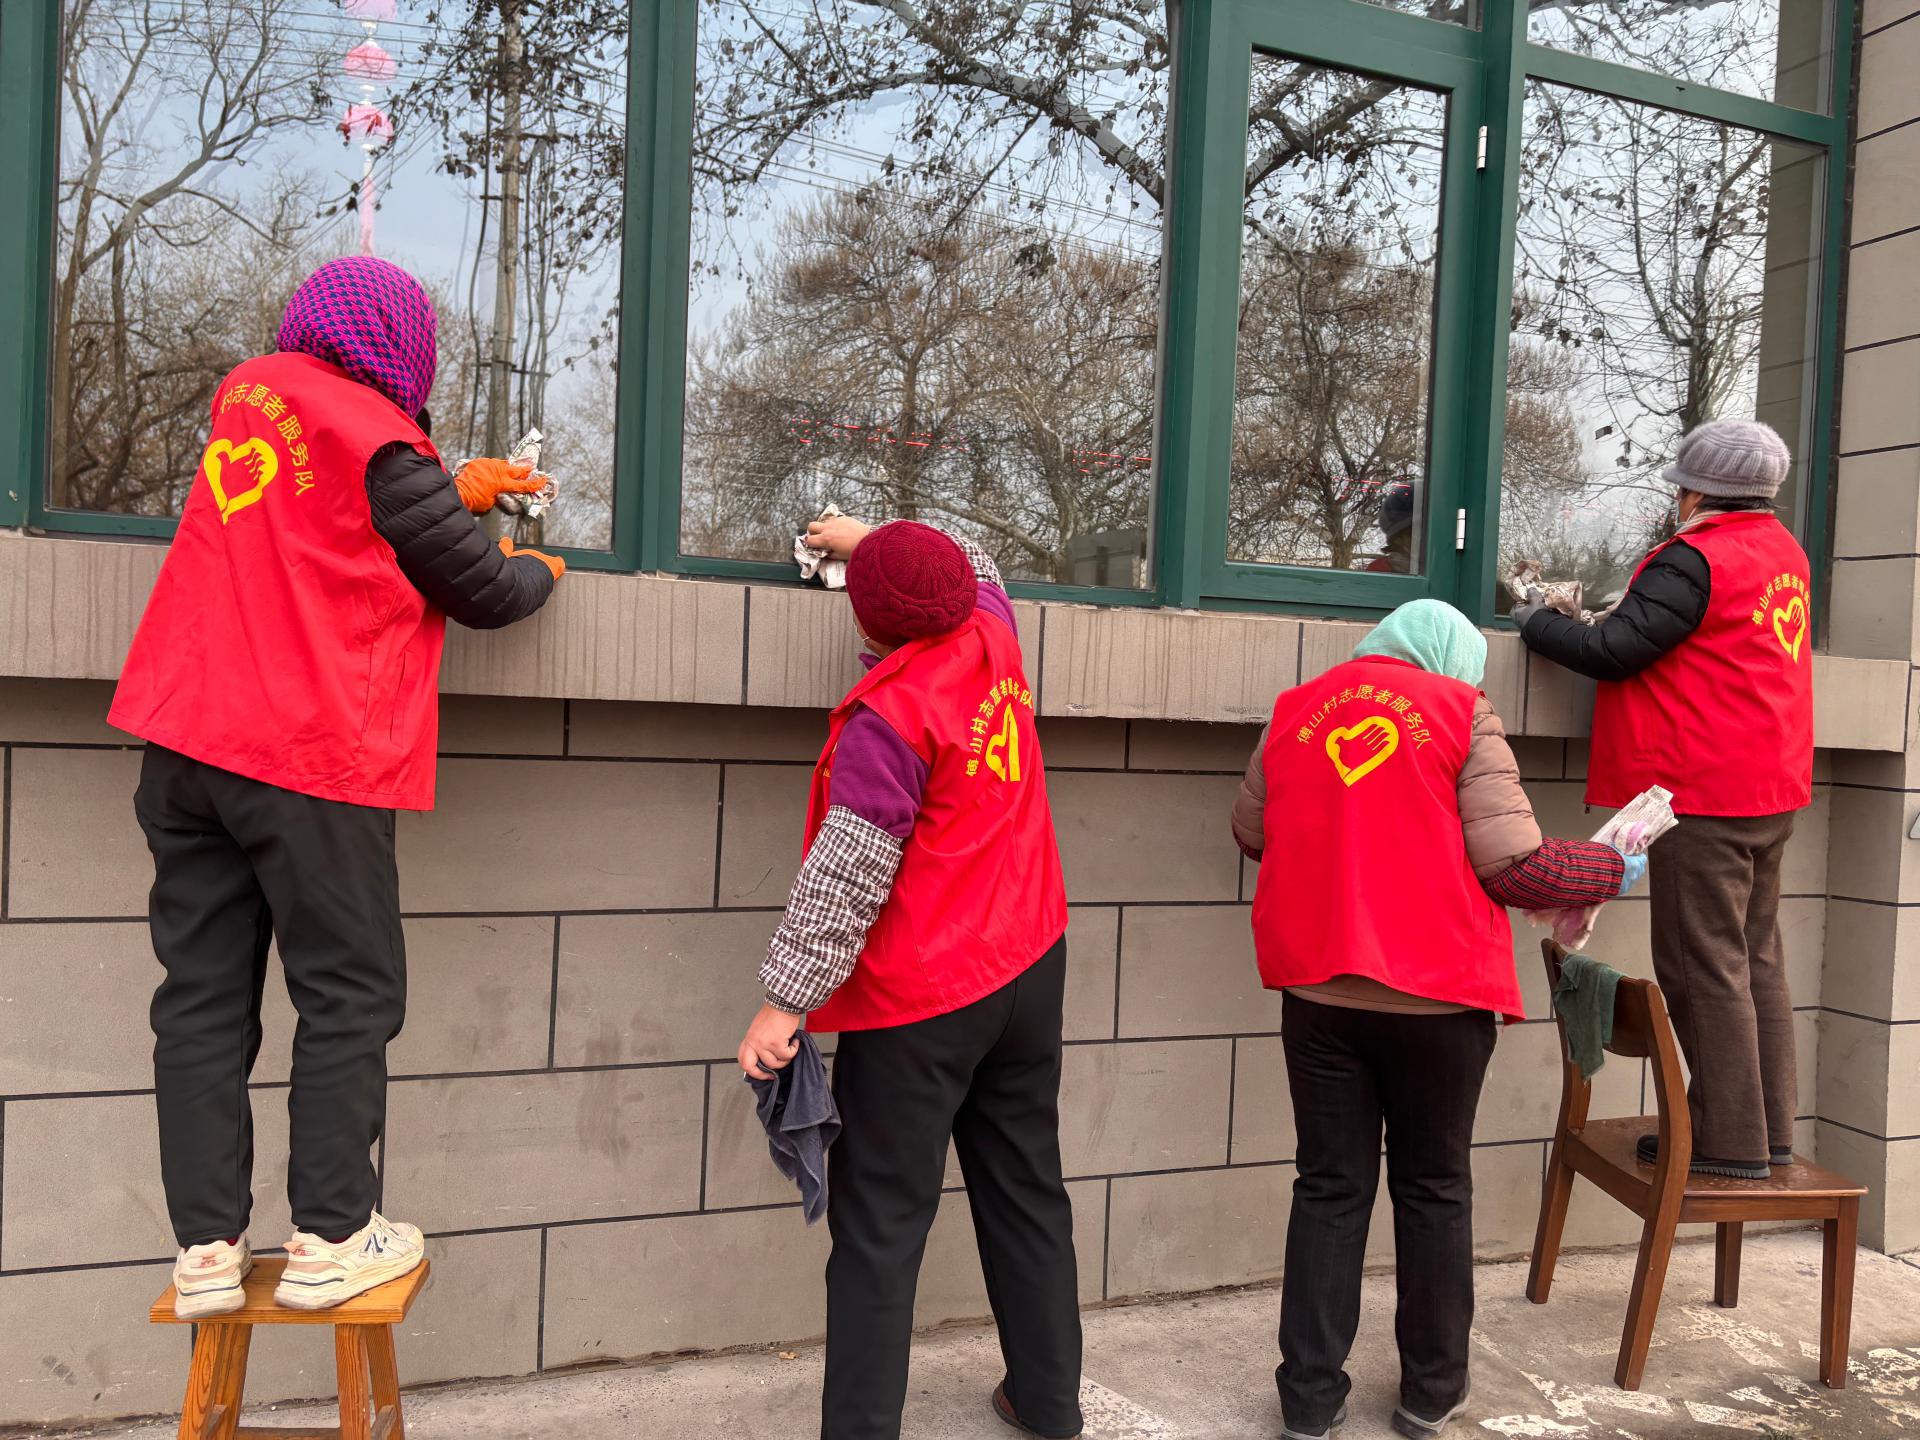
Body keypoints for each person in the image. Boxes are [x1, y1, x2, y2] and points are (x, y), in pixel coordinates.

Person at [109, 256, 566, 1318]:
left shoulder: (248, 399)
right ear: (400, 351)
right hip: (307, 754)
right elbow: (481, 587)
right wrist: (540, 571)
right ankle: (331, 1235)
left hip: (186, 742)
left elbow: (322, 517)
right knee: (349, 993)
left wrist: (452, 487)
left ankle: (206, 1251)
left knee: (201, 1000)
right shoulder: (379, 439)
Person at [1231, 599, 1643, 1440]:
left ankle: (1308, 1399)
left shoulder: (1295, 711)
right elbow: (1518, 869)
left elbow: (1252, 834)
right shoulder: (1461, 711)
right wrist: (1610, 865)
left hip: (1320, 992)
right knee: (1433, 1188)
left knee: (1328, 1189)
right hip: (1438, 998)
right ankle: (1430, 1393)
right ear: (1453, 660)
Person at [736, 516, 1080, 1440]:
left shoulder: (890, 719)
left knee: (880, 1232)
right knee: (1027, 1191)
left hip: (924, 998)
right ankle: (1049, 1404)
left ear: (870, 623)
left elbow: (847, 875)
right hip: (1027, 965)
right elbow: (978, 561)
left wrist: (783, 1005)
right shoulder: (993, 633)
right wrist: (871, 535)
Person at [1514, 418, 1812, 1180]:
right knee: (1754, 958)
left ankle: (1725, 1142)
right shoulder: (1783, 551)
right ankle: (1769, 1131)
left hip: (1703, 791)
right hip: (1768, 785)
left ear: (1696, 492)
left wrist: (1536, 621)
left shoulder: (1695, 558)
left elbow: (1615, 651)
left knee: (1699, 964)